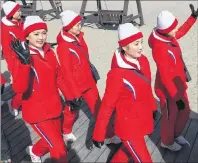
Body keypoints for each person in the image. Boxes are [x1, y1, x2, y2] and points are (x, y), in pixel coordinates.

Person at [92, 23, 157, 162]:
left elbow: (147, 89)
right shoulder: (117, 74)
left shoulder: (143, 61)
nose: (140, 47)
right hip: (128, 126)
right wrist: (99, 133)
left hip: (141, 119)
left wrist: (153, 107)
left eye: (141, 43)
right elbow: (107, 106)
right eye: (136, 44)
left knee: (127, 151)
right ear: (124, 47)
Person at [56, 10, 121, 145]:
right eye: (76, 25)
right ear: (68, 27)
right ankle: (66, 131)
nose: (79, 27)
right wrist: (74, 94)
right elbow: (66, 72)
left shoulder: (78, 37)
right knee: (72, 110)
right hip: (74, 86)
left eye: (80, 24)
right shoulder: (63, 46)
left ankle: (108, 135)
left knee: (99, 108)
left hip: (88, 81)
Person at [10, 16, 69, 162]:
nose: (41, 37)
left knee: (53, 139)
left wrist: (70, 96)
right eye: (36, 34)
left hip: (54, 106)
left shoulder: (49, 51)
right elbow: (19, 88)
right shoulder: (22, 56)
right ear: (27, 36)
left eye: (44, 33)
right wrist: (24, 63)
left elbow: (59, 77)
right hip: (36, 111)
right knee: (59, 147)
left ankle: (34, 151)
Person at [148, 4, 198, 151]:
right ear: (165, 31)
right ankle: (167, 141)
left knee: (185, 111)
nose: (176, 30)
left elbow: (180, 31)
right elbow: (165, 77)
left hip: (178, 84)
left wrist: (193, 18)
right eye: (173, 28)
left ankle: (175, 135)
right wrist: (176, 98)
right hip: (167, 90)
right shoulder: (160, 48)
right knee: (170, 115)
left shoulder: (167, 36)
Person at [1, 1, 25, 116]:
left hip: (27, 56)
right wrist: (12, 65)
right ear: (10, 13)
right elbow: (6, 49)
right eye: (17, 11)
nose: (20, 12)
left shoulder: (20, 22)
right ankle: (14, 104)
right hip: (16, 61)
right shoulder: (6, 28)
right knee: (21, 86)